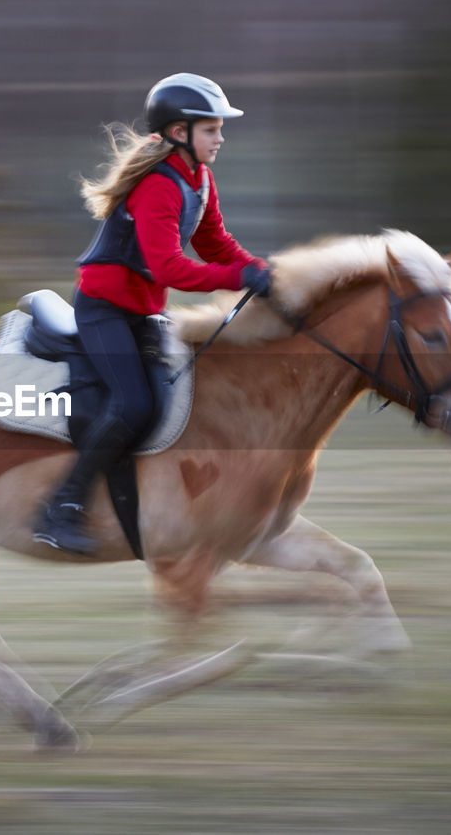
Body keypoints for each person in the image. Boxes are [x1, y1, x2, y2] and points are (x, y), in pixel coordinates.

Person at [33, 73, 273, 557]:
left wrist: (260, 269)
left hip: (141, 312)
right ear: (180, 132)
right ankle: (61, 508)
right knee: (134, 406)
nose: (221, 138)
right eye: (211, 129)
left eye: (220, 129)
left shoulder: (198, 178)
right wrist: (237, 279)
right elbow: (170, 268)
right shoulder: (158, 187)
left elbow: (213, 244)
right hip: (104, 311)